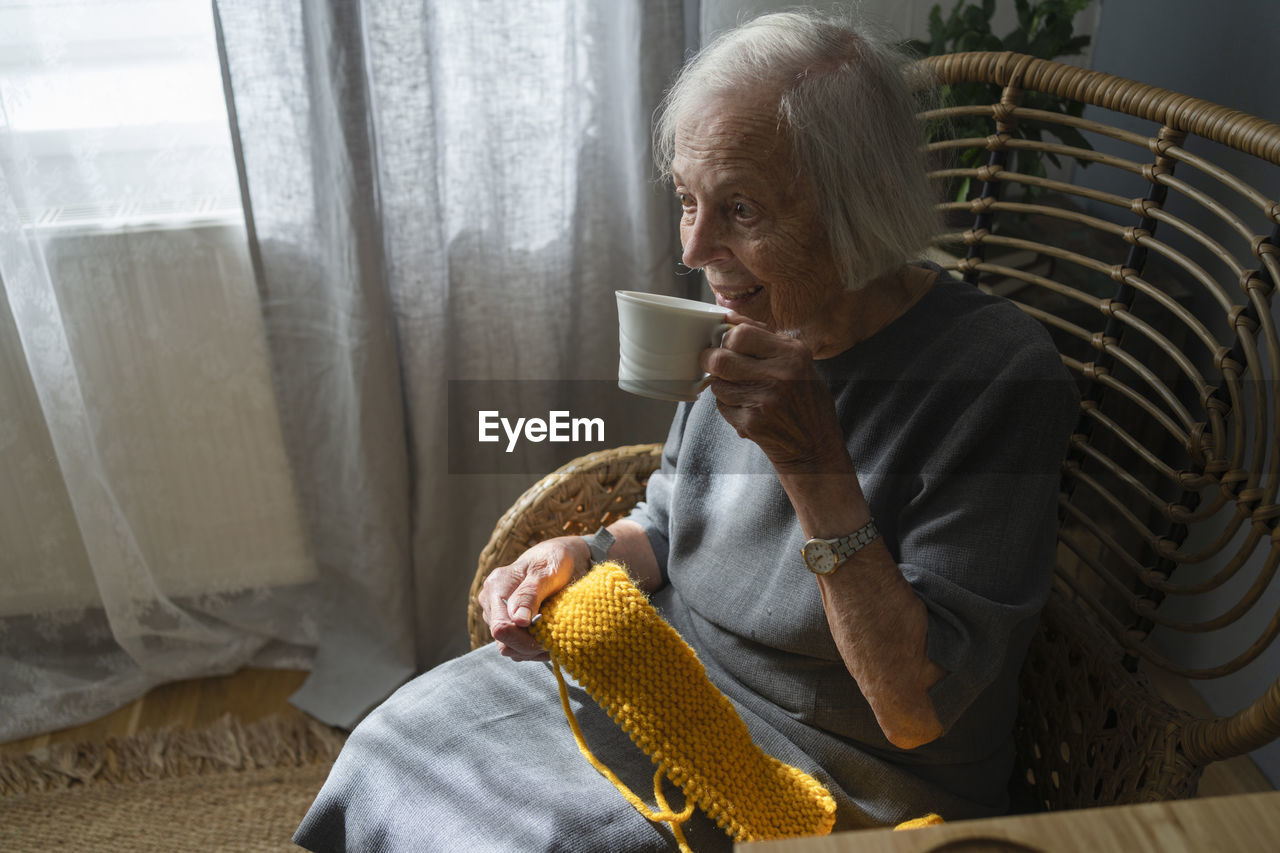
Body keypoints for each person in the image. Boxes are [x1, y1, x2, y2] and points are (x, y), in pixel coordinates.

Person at [294, 9, 1079, 852]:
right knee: (391, 746)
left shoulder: (997, 376)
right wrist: (587, 554)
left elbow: (913, 706)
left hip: (837, 763)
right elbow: (672, 517)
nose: (696, 248)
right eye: (687, 202)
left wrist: (812, 462)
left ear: (860, 206)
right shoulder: (756, 314)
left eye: (740, 209)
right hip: (666, 673)